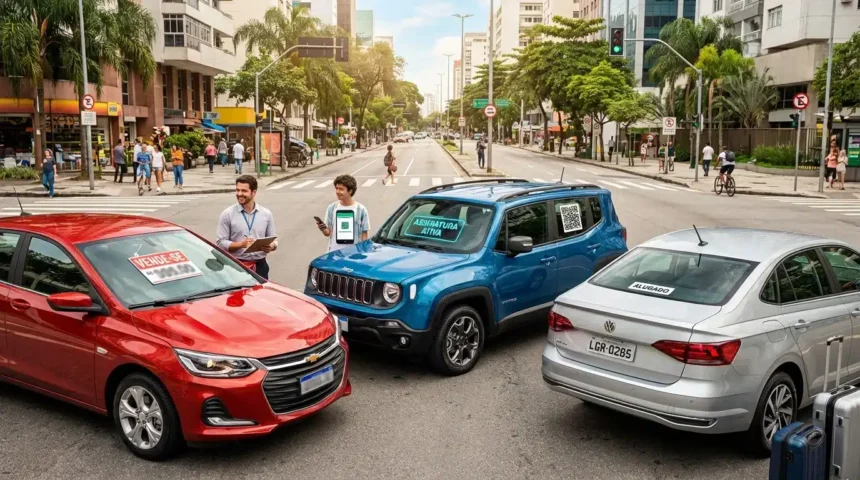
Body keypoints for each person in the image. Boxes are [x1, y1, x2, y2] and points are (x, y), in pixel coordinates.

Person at [216, 176, 277, 279]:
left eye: (244, 191)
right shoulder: (227, 214)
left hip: (260, 266)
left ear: (253, 193)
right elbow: (220, 243)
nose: (239, 194)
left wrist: (271, 246)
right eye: (237, 190)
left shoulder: (266, 214)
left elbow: (273, 239)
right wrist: (241, 244)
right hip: (236, 265)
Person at [316, 174, 371, 253]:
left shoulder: (361, 210)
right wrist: (323, 228)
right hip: (334, 253)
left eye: (341, 189)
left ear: (350, 191)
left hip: (354, 253)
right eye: (336, 188)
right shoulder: (331, 208)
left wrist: (364, 252)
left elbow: (364, 234)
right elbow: (328, 233)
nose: (337, 192)